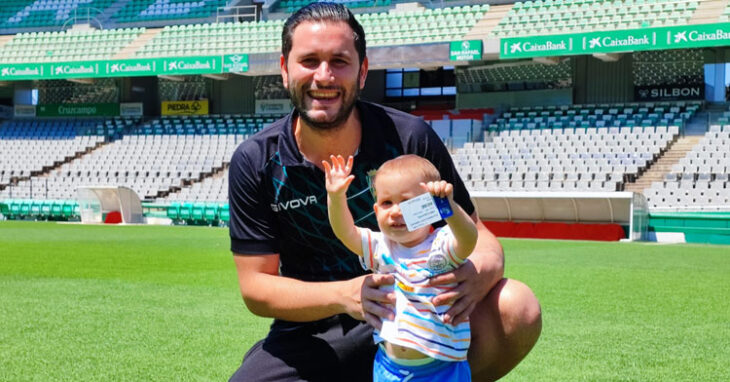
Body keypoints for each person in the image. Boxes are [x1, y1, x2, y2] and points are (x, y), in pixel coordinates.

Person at [228, 3, 542, 381]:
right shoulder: (257, 161)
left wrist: (478, 274)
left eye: (339, 61)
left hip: (420, 310)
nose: (323, 76)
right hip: (315, 328)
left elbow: (480, 237)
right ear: (284, 69)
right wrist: (346, 295)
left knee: (517, 306)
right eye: (309, 60)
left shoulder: (408, 139)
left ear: (362, 72)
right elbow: (256, 287)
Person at [323, 154, 477, 381]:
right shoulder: (380, 247)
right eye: (387, 203)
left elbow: (468, 239)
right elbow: (345, 232)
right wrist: (336, 197)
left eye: (406, 202)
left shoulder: (441, 246)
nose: (395, 211)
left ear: (431, 207)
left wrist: (449, 207)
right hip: (388, 367)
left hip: (441, 370)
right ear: (376, 212)